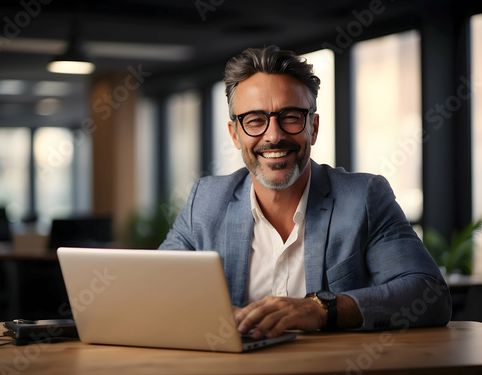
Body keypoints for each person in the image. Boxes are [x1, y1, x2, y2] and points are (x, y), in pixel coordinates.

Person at [159, 45, 451, 339]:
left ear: (313, 127)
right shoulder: (206, 201)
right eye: (255, 120)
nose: (274, 136)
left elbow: (429, 294)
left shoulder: (363, 197)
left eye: (291, 117)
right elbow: (156, 288)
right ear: (235, 134)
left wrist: (320, 309)